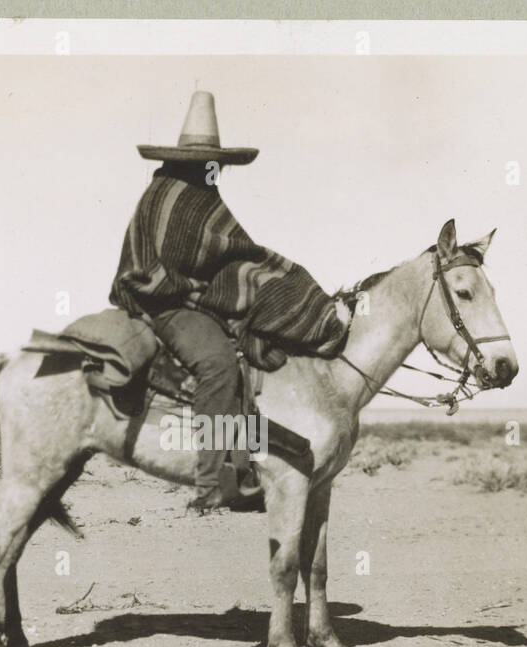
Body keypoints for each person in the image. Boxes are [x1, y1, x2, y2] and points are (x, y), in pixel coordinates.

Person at [109, 91, 348, 512]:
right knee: (218, 361)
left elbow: (230, 253)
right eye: (209, 161)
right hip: (161, 301)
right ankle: (209, 481)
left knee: (250, 349)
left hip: (193, 300)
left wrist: (257, 281)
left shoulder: (204, 193)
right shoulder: (167, 194)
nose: (213, 168)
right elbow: (200, 258)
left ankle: (247, 466)